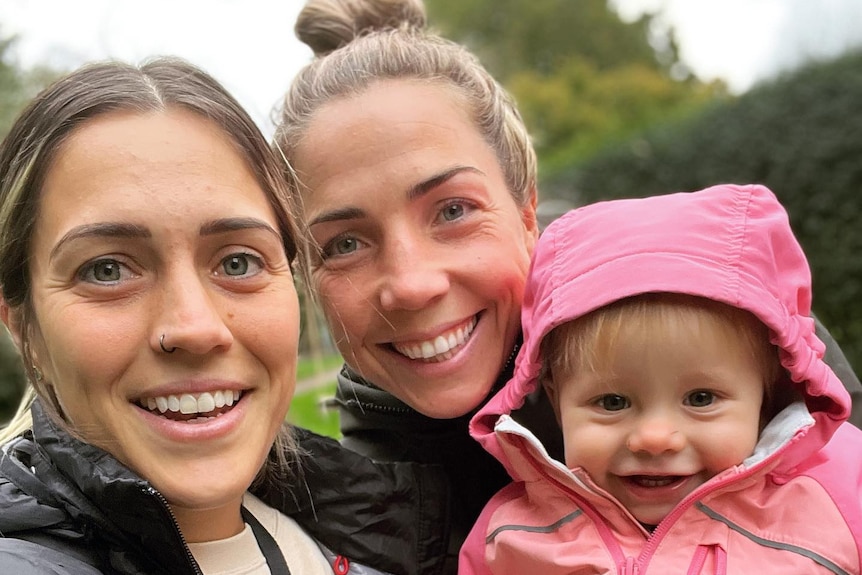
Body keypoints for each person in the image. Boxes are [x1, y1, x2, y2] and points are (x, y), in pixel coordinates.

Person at [275, 0, 862, 572]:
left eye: (452, 210)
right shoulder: (345, 503)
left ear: (527, 211)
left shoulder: (722, 320)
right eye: (345, 244)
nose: (411, 284)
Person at [0, 56, 417, 575]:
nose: (195, 327)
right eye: (107, 270)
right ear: (23, 327)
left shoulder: (371, 535)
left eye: (238, 262)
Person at [459, 183, 862, 574]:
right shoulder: (509, 537)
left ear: (767, 391)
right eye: (612, 402)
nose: (654, 438)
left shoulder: (838, 498)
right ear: (556, 399)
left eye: (701, 398)